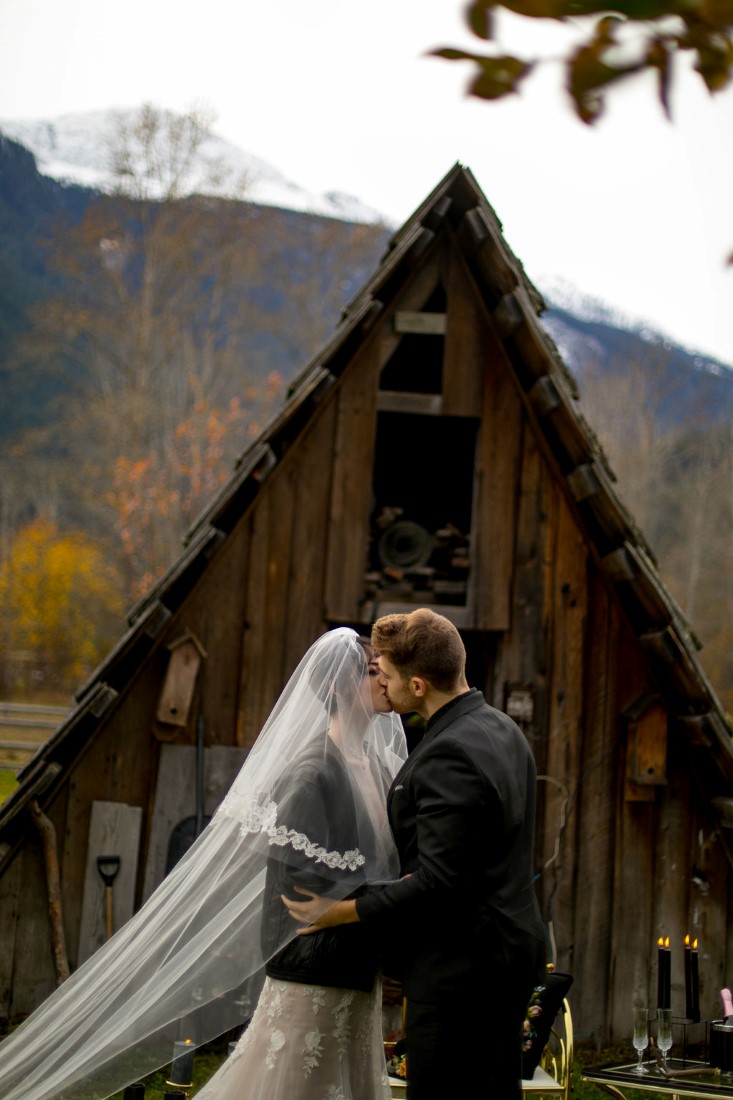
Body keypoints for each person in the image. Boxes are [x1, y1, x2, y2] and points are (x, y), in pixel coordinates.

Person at [0, 629, 406, 1100]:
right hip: (315, 981)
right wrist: (378, 905)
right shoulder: (311, 773)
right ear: (339, 686)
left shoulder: (381, 771)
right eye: (373, 671)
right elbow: (304, 899)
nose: (385, 681)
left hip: (360, 979)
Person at [284, 608, 546, 1100]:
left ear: (419, 685)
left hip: (464, 968)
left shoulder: (451, 752)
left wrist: (339, 911)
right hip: (503, 954)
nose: (381, 681)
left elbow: (439, 881)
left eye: (385, 672)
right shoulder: (502, 729)